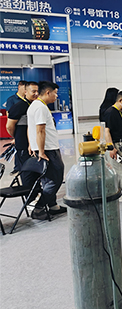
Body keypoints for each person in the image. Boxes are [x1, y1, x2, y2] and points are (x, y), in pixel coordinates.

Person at [27, 81, 67, 220]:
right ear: (48, 92)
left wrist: (31, 144)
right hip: (48, 149)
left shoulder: (35, 105)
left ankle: (53, 205)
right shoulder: (40, 108)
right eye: (55, 93)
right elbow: (40, 130)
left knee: (47, 179)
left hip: (43, 148)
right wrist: (42, 151)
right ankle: (39, 208)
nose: (56, 96)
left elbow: (30, 128)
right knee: (56, 179)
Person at [6, 81, 38, 175]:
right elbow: (9, 126)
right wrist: (16, 136)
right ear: (26, 92)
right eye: (33, 91)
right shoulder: (19, 106)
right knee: (26, 171)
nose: (36, 94)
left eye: (37, 91)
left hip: (34, 143)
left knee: (34, 170)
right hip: (23, 144)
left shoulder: (34, 106)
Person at [103, 91, 122, 187]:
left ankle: (120, 190)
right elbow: (107, 131)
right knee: (117, 171)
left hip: (121, 145)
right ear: (121, 100)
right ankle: (117, 192)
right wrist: (111, 148)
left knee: (120, 169)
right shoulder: (110, 112)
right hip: (115, 146)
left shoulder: (120, 112)